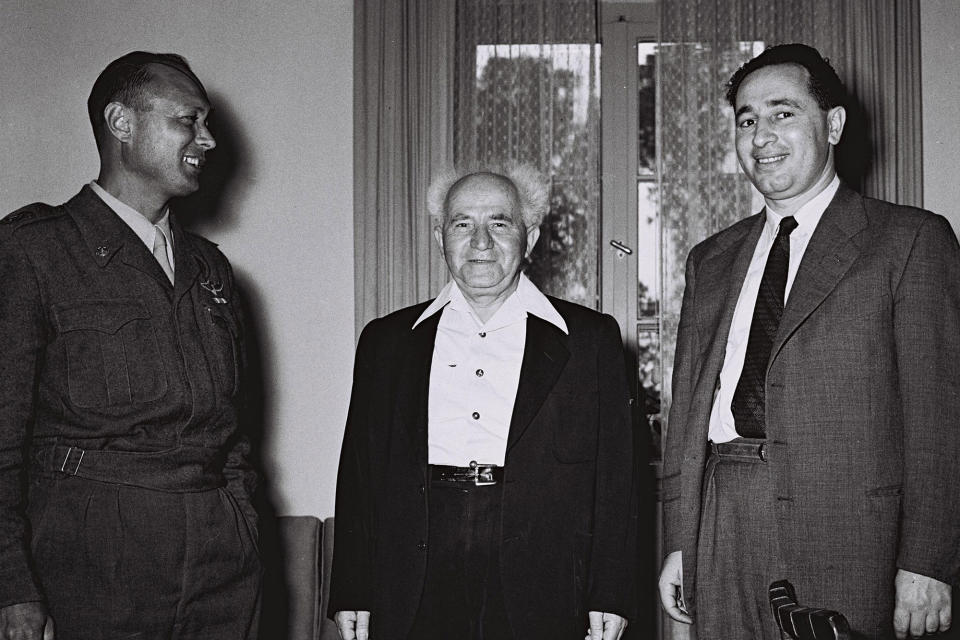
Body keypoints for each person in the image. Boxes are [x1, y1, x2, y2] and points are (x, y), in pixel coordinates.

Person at [657, 43, 959, 639]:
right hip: (724, 518)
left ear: (835, 124)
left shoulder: (909, 241)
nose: (761, 135)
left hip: (849, 532)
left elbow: (939, 417)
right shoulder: (710, 261)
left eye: (782, 113)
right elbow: (689, 414)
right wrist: (679, 540)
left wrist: (926, 560)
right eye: (747, 120)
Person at [0, 52, 260, 640]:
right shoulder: (33, 251)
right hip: (92, 553)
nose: (209, 139)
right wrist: (11, 586)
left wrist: (241, 524)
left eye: (208, 121)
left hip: (220, 561)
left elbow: (236, 436)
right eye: (187, 120)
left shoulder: (209, 267)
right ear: (121, 124)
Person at [329, 164, 635, 640]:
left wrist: (609, 592)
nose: (481, 242)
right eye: (462, 224)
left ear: (529, 237)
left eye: (499, 222)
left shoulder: (589, 340)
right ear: (439, 236)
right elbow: (360, 472)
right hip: (416, 568)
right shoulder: (386, 342)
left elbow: (615, 477)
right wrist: (351, 587)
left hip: (540, 573)